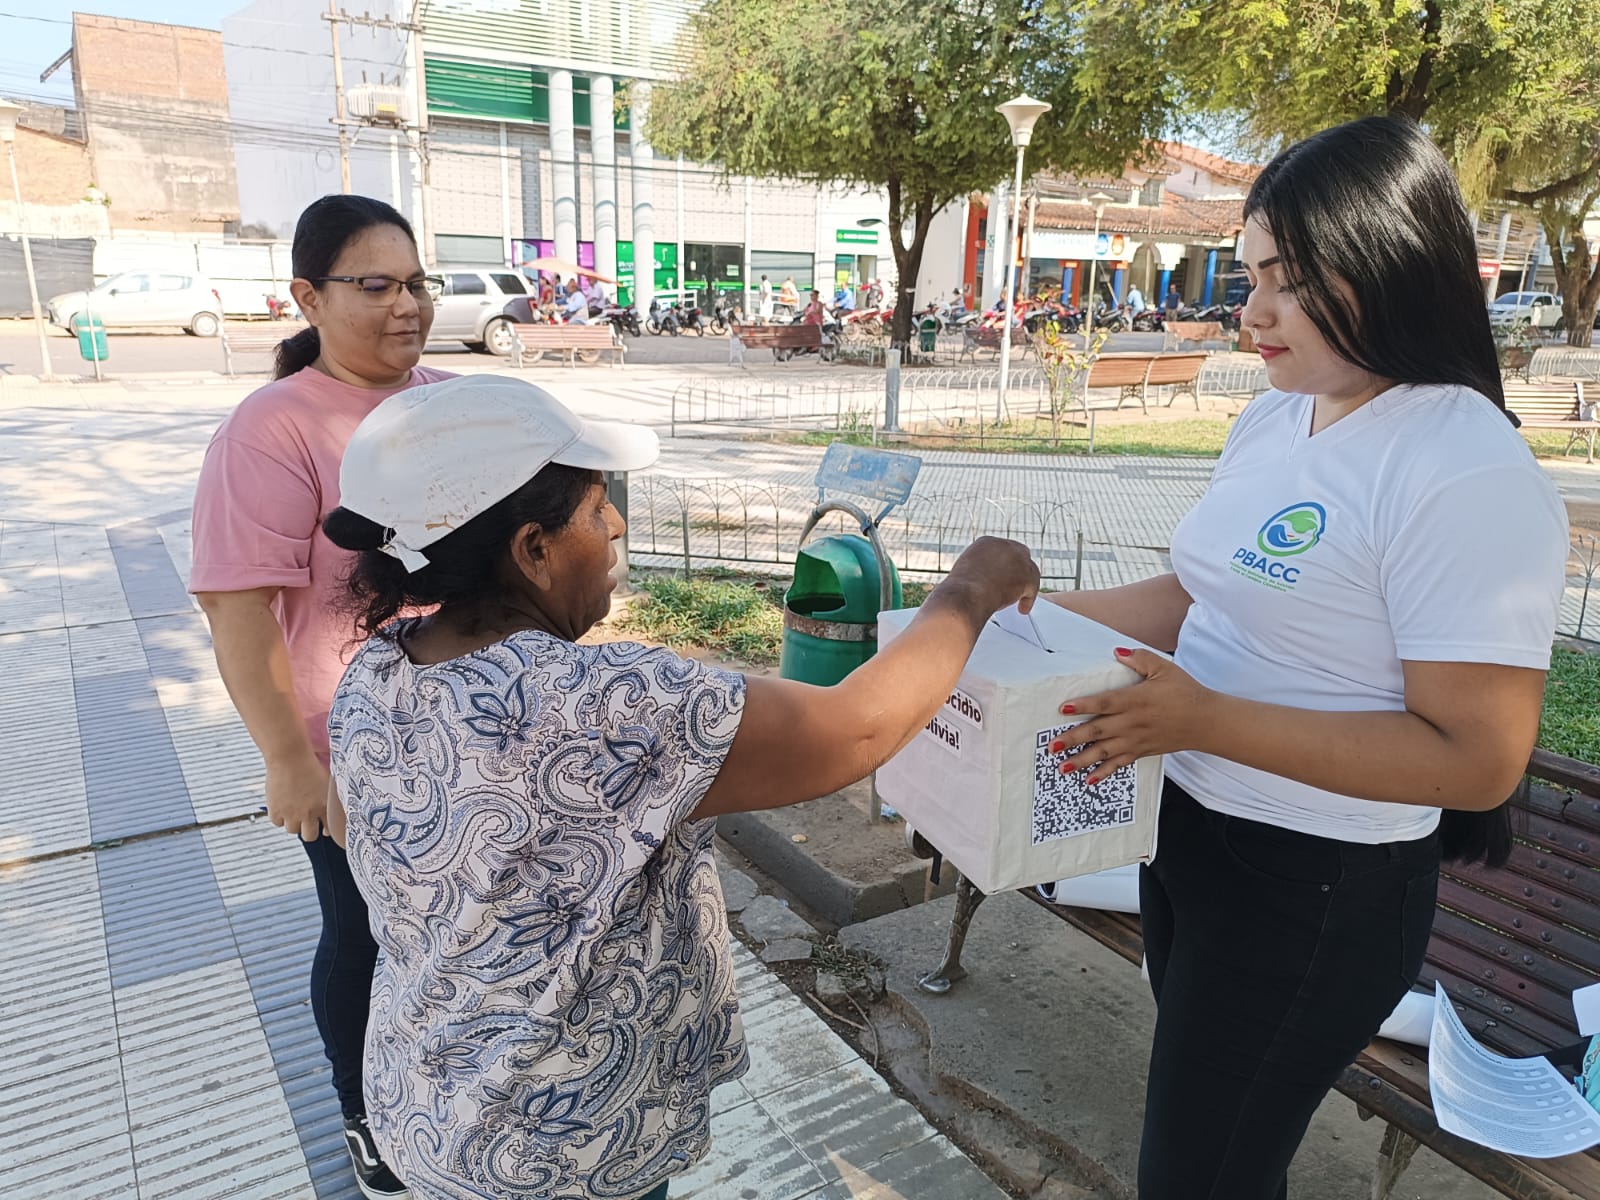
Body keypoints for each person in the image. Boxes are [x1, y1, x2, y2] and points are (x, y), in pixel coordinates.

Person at [320, 374, 1040, 1200]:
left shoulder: (377, 668)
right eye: (595, 507)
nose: (618, 523)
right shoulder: (606, 705)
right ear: (533, 549)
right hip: (564, 1146)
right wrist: (969, 590)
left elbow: (357, 833)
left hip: (428, 1100)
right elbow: (858, 729)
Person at [1040, 115, 1568, 1199]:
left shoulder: (1461, 465)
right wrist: (1026, 611)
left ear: (1383, 261)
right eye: (1248, 276)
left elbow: (1475, 762)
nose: (1252, 312)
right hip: (1187, 834)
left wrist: (1205, 721)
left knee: (1198, 1178)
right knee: (1216, 1159)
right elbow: (1198, 597)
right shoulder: (1280, 419)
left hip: (1314, 885)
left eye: (1284, 278)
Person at [189, 194, 455, 1200]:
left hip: (464, 732)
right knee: (365, 935)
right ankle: (364, 1114)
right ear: (307, 296)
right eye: (374, 286)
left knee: (448, 931)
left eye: (415, 283)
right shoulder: (273, 429)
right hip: (349, 747)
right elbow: (235, 604)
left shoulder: (444, 402)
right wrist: (288, 760)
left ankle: (442, 1080)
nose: (406, 307)